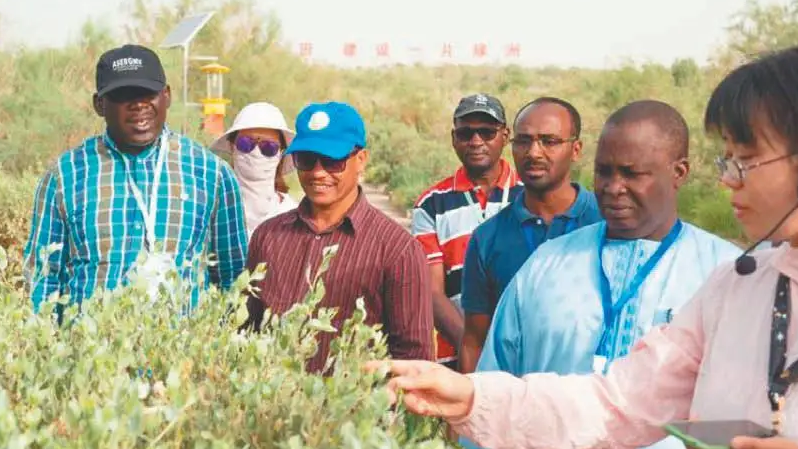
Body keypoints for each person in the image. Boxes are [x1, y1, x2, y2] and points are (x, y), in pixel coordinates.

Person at [373, 42, 798, 449]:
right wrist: (473, 398)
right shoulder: (739, 287)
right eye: (727, 159)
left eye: (747, 160)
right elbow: (616, 404)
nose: (727, 180)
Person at [459, 100, 741, 449]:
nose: (612, 187)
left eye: (632, 173)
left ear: (679, 172)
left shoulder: (725, 274)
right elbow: (493, 388)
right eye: (604, 171)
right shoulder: (545, 267)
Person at [24, 44, 249, 317]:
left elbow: (232, 280)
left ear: (166, 96)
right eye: (123, 95)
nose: (139, 104)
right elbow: (43, 278)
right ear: (99, 104)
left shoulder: (211, 173)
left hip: (184, 357)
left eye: (148, 93)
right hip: (86, 353)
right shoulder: (65, 175)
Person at [244, 101, 434, 373]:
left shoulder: (397, 250)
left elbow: (414, 362)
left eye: (333, 161)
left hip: (355, 412)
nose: (318, 172)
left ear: (361, 160)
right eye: (307, 159)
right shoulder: (268, 237)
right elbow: (247, 332)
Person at [459, 97, 602, 374]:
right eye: (523, 141)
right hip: (513, 406)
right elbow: (475, 340)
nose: (533, 153)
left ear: (576, 149)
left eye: (549, 141)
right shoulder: (488, 239)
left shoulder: (606, 224)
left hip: (593, 405)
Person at [412, 94, 520, 369]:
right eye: (466, 133)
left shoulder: (528, 196)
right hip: (456, 358)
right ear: (453, 138)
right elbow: (432, 292)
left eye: (487, 132)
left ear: (505, 136)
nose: (476, 141)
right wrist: (476, 352)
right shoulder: (431, 204)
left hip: (523, 357)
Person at [210, 101, 298, 239]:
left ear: (280, 153)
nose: (256, 152)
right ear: (232, 147)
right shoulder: (213, 209)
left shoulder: (293, 215)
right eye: (246, 143)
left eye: (269, 147)